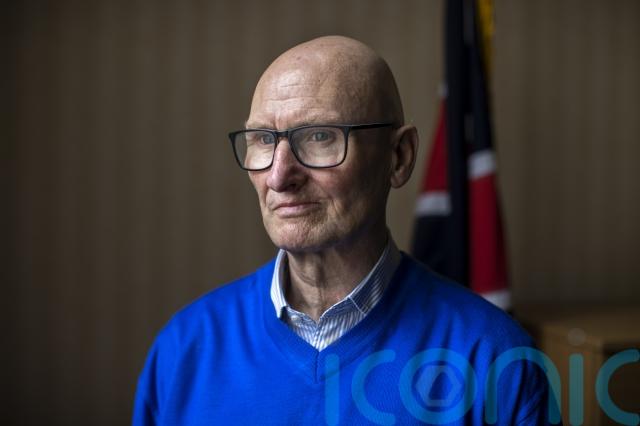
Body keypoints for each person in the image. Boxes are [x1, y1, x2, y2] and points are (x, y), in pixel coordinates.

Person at [133, 36, 558, 425]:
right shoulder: (184, 348)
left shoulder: (496, 360)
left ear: (399, 156)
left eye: (319, 136)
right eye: (263, 139)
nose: (279, 176)